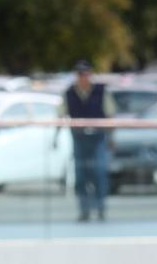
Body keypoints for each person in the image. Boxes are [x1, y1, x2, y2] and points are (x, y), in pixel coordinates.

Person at [62, 61, 114, 221]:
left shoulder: (101, 91)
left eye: (86, 74)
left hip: (98, 138)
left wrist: (112, 138)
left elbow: (110, 115)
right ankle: (84, 210)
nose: (83, 77)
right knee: (81, 174)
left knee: (99, 173)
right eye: (80, 74)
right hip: (79, 138)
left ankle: (100, 208)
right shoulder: (69, 93)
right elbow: (61, 114)